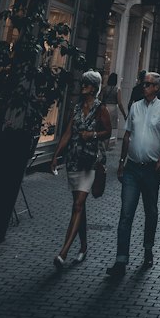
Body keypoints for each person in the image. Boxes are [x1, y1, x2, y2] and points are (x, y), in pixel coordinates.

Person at [107, 71, 160, 277]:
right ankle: (121, 260)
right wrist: (120, 162)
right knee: (126, 214)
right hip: (132, 169)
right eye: (143, 84)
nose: (143, 86)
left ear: (156, 88)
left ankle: (147, 249)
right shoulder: (135, 107)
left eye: (147, 84)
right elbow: (127, 136)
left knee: (150, 212)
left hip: (152, 170)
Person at [51, 71, 111, 268]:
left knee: (78, 205)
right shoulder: (77, 108)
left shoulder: (100, 108)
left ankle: (63, 252)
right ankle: (84, 246)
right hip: (74, 161)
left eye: (86, 83)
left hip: (90, 162)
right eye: (82, 82)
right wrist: (55, 155)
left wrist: (92, 134)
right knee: (79, 206)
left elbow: (107, 132)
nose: (82, 85)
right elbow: (68, 132)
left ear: (93, 87)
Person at [100, 71, 126, 150]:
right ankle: (106, 147)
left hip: (104, 108)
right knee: (109, 130)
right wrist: (124, 114)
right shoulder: (117, 89)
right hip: (113, 108)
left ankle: (101, 145)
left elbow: (101, 99)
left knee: (102, 127)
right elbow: (119, 103)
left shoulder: (104, 89)